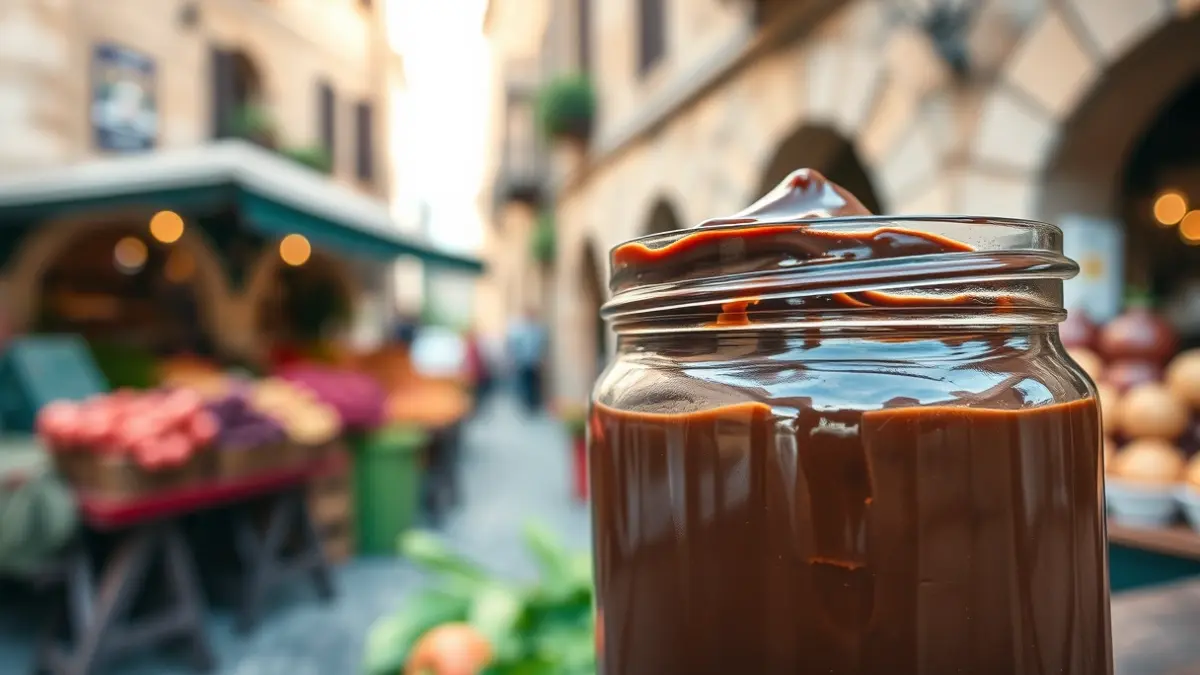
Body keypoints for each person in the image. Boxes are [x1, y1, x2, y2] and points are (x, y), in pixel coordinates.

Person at [506, 311, 546, 414]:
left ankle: (532, 404)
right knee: (525, 384)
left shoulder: (537, 330)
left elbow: (541, 345)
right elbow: (514, 346)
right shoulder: (520, 330)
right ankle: (528, 405)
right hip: (524, 362)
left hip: (534, 362)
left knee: (533, 384)